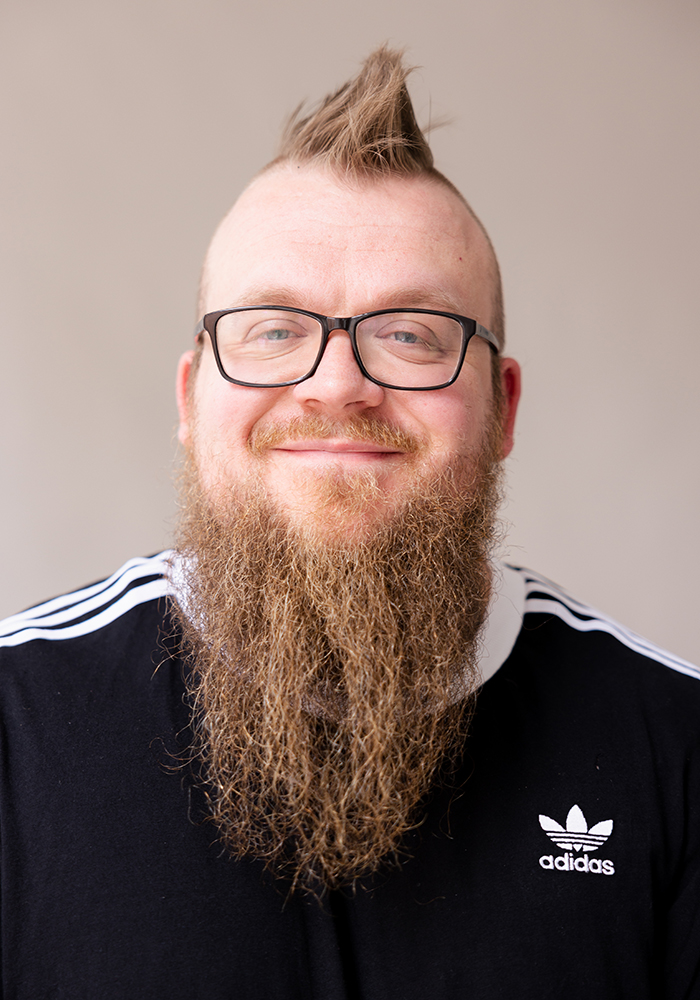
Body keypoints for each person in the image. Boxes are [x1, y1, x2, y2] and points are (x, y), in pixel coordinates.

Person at [0, 47, 698, 1000]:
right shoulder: (16, 726)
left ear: (504, 407)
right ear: (191, 397)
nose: (336, 386)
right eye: (273, 330)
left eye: (410, 334)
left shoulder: (677, 747)